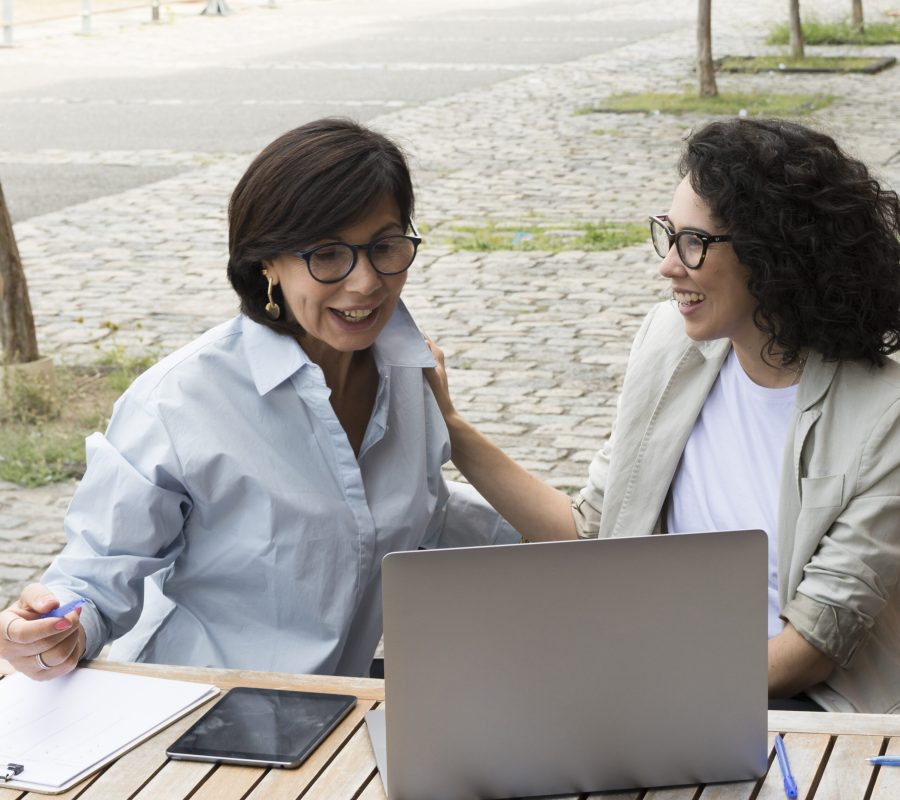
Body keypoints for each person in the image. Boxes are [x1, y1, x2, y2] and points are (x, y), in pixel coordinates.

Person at [0, 118, 517, 681]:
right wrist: (55, 627)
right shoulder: (180, 401)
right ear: (266, 261)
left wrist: (574, 542)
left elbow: (424, 518)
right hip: (195, 712)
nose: (366, 281)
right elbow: (94, 580)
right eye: (326, 254)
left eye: (385, 246)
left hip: (333, 713)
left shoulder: (412, 377)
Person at [425, 118, 900, 713]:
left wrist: (642, 689)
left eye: (694, 243)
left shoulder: (885, 414)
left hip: (804, 705)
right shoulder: (669, 344)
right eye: (667, 236)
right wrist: (452, 429)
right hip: (659, 673)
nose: (668, 265)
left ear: (775, 254)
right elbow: (592, 531)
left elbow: (813, 645)